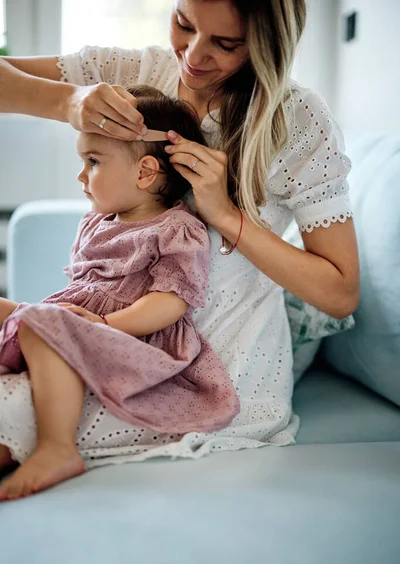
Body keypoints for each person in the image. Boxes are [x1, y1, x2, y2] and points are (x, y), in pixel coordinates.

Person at [0, 1, 360, 474]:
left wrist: (226, 215)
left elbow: (340, 293)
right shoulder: (139, 72)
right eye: (184, 24)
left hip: (206, 364)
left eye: (226, 44)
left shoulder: (295, 119)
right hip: (109, 332)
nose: (192, 55)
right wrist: (64, 101)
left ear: (269, 46)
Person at [0, 85, 240, 500]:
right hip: (74, 320)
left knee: (43, 324)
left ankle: (57, 447)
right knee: (24, 314)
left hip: (127, 335)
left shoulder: (176, 229)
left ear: (146, 172)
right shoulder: (96, 222)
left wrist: (109, 324)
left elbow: (171, 299)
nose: (80, 175)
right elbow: (79, 289)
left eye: (92, 162)